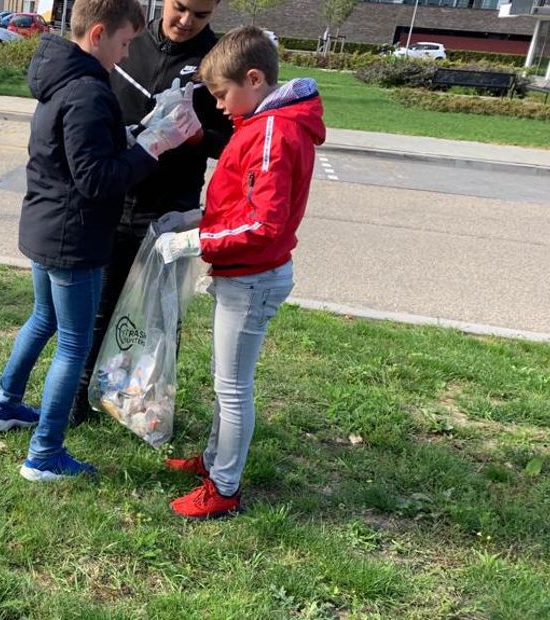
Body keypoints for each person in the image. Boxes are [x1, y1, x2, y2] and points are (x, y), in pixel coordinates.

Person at [0, 0, 202, 482]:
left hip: (47, 222)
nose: (125, 56)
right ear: (99, 33)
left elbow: (76, 149)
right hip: (72, 234)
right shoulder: (88, 91)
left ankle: (6, 405)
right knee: (75, 345)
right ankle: (44, 453)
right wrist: (152, 147)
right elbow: (97, 179)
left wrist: (134, 132)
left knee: (43, 320)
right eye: (124, 43)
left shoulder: (64, 78)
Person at [157, 26, 325, 519]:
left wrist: (192, 240)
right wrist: (194, 220)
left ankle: (224, 487)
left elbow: (263, 223)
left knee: (232, 387)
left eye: (222, 94)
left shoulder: (273, 129)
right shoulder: (263, 123)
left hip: (252, 276)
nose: (221, 106)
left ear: (254, 79)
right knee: (224, 380)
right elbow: (240, 205)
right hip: (244, 272)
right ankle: (214, 462)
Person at [71, 0, 232, 426]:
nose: (186, 21)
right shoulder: (131, 41)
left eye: (201, 15)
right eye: (180, 8)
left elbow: (231, 139)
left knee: (161, 314)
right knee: (100, 303)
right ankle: (81, 395)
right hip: (116, 193)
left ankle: (146, 405)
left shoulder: (216, 59)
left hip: (170, 207)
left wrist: (198, 138)